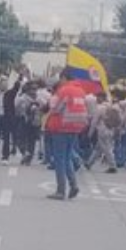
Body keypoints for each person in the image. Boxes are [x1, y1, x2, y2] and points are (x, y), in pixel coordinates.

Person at [45, 70, 90, 200]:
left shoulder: (64, 91)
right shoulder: (81, 91)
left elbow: (55, 108)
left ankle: (61, 190)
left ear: (64, 78)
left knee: (59, 159)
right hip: (75, 127)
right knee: (67, 157)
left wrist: (51, 100)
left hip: (61, 127)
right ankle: (73, 185)